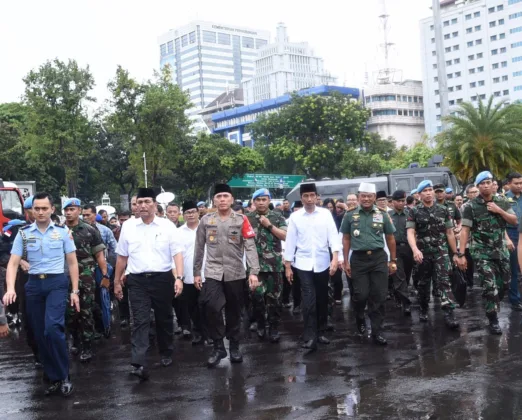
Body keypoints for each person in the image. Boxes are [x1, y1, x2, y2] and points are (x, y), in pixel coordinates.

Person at [3, 192, 80, 396]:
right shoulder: (24, 233)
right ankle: (53, 376)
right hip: (34, 285)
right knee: (38, 333)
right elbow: (12, 263)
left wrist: (75, 291)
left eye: (44, 208)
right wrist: (10, 288)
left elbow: (72, 263)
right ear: (31, 211)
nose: (40, 212)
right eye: (36, 208)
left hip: (56, 283)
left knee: (53, 328)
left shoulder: (63, 233)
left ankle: (64, 375)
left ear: (52, 209)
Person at [114, 188, 184, 381]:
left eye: (147, 202)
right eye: (139, 202)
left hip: (162, 278)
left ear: (155, 204)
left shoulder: (167, 226)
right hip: (137, 280)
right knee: (140, 320)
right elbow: (122, 256)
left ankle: (166, 351)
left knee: (164, 318)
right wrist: (116, 281)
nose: (142, 206)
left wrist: (178, 278)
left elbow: (177, 253)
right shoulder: (128, 226)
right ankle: (138, 361)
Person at [194, 184, 260, 367]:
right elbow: (199, 248)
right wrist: (196, 272)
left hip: (235, 272)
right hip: (213, 271)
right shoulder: (206, 220)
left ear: (231, 199)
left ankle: (234, 346)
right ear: (214, 200)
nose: (222, 199)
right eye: (219, 196)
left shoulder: (241, 220)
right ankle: (218, 346)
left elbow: (250, 246)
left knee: (234, 312)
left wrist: (253, 272)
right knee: (211, 306)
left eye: (225, 196)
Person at [459, 171, 517, 334]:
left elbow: (514, 220)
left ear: (493, 184)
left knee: (504, 285)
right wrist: (461, 254)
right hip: (482, 253)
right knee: (490, 287)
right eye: (482, 183)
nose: (486, 185)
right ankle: (493, 319)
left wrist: (499, 210)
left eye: (489, 182)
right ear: (478, 186)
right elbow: (465, 230)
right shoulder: (471, 206)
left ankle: (492, 303)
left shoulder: (502, 201)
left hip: (501, 251)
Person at [284, 183, 340, 350]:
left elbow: (333, 236)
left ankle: (321, 331)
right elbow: (290, 242)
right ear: (301, 198)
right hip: (303, 263)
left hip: (323, 262)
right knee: (308, 300)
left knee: (322, 298)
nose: (309, 199)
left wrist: (335, 258)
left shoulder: (325, 214)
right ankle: (309, 335)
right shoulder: (295, 217)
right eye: (305, 196)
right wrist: (288, 266)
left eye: (312, 196)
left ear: (317, 196)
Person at [341, 182, 396, 345]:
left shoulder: (383, 214)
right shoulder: (349, 215)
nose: (366, 199)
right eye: (363, 196)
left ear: (374, 198)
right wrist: (345, 261)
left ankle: (377, 331)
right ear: (358, 197)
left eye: (369, 196)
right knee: (361, 295)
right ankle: (359, 317)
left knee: (378, 296)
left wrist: (393, 260)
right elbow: (346, 238)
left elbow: (390, 238)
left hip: (379, 258)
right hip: (358, 259)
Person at [406, 180, 460, 329]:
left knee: (444, 282)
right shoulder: (414, 211)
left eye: (430, 190)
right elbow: (410, 232)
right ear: (419, 194)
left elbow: (449, 232)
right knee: (423, 284)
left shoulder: (443, 210)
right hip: (423, 253)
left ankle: (449, 313)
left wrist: (455, 253)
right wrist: (415, 249)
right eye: (425, 191)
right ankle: (423, 308)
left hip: (441, 252)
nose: (429, 193)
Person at [63, 198, 108, 362]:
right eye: (66, 210)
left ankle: (88, 345)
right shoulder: (58, 230)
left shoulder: (90, 230)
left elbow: (99, 255)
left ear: (79, 210)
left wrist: (105, 275)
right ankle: (75, 340)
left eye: (72, 209)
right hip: (64, 275)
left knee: (86, 309)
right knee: (69, 312)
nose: (69, 213)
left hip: (86, 275)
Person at [246, 189, 287, 343]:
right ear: (254, 202)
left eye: (264, 199)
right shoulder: (247, 218)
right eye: (258, 200)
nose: (261, 202)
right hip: (254, 267)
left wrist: (269, 225)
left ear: (269, 200)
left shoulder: (277, 216)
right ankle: (261, 324)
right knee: (256, 297)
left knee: (275, 299)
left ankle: (274, 327)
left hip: (274, 266)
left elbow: (285, 235)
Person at [178, 201, 208, 345]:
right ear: (183, 215)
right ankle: (197, 332)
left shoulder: (207, 228)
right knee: (192, 306)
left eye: (192, 211)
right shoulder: (178, 233)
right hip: (187, 275)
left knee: (208, 305)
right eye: (187, 212)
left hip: (207, 274)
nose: (190, 215)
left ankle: (209, 334)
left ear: (198, 212)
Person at [389, 190, 413, 316]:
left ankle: (399, 295)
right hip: (394, 249)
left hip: (408, 248)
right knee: (399, 276)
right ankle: (406, 303)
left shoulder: (410, 213)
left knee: (407, 275)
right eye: (398, 201)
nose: (401, 203)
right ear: (393, 202)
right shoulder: (387, 215)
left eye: (403, 201)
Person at [504, 172, 522, 311]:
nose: (519, 185)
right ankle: (515, 299)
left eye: (521, 183)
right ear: (509, 183)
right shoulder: (503, 199)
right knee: (514, 269)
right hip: (512, 234)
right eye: (516, 183)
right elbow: (500, 223)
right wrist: (507, 239)